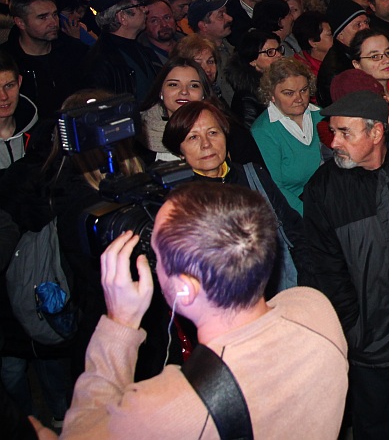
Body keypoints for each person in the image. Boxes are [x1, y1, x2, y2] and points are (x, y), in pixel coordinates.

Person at [59, 182, 347, 439]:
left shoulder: (169, 407)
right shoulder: (314, 308)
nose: (153, 264)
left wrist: (119, 324)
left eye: (156, 256)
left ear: (185, 290)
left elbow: (79, 432)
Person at [303, 91, 389, 440]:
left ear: (376, 132)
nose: (335, 143)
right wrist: (351, 322)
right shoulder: (323, 189)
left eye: (345, 132)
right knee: (371, 424)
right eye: (333, 133)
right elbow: (321, 266)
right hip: (365, 334)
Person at [163, 100, 308, 284]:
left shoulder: (253, 176)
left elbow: (294, 230)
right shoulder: (182, 201)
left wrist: (305, 282)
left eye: (213, 133)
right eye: (193, 137)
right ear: (180, 152)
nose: (206, 144)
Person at [1, 0, 87, 127]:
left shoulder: (75, 52)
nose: (53, 22)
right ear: (20, 22)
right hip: (27, 140)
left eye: (54, 15)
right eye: (43, 17)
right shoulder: (7, 61)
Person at [250, 58, 325, 215]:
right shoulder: (264, 131)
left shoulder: (320, 115)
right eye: (288, 93)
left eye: (303, 90)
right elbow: (275, 187)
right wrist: (312, 216)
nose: (298, 98)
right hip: (295, 208)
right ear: (271, 95)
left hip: (327, 195)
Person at [84, 0, 160, 104]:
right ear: (122, 17)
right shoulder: (101, 60)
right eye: (139, 5)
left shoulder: (141, 48)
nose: (145, 9)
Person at [139, 58, 216, 161]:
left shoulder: (222, 129)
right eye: (173, 84)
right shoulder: (138, 137)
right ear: (161, 92)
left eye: (193, 85)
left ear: (203, 94)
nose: (184, 92)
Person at [224, 30, 281, 128]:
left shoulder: (282, 80)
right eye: (270, 52)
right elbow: (250, 133)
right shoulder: (247, 97)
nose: (279, 55)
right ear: (253, 60)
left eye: (279, 50)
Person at [291, 10, 332, 77]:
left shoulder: (336, 57)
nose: (334, 37)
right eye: (329, 34)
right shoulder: (302, 71)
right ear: (313, 43)